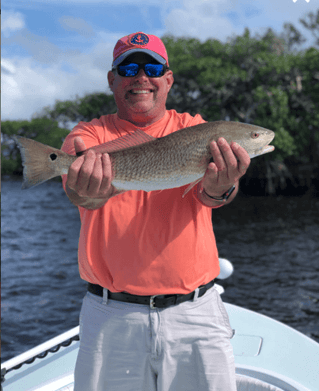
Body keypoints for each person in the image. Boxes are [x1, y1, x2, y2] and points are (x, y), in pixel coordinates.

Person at [61, 32, 251, 391]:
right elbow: (82, 198)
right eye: (129, 67)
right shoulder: (87, 136)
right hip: (110, 315)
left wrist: (221, 185)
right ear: (112, 79)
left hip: (196, 314)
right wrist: (86, 191)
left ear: (168, 78)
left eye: (152, 67)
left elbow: (213, 195)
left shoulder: (197, 130)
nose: (141, 77)